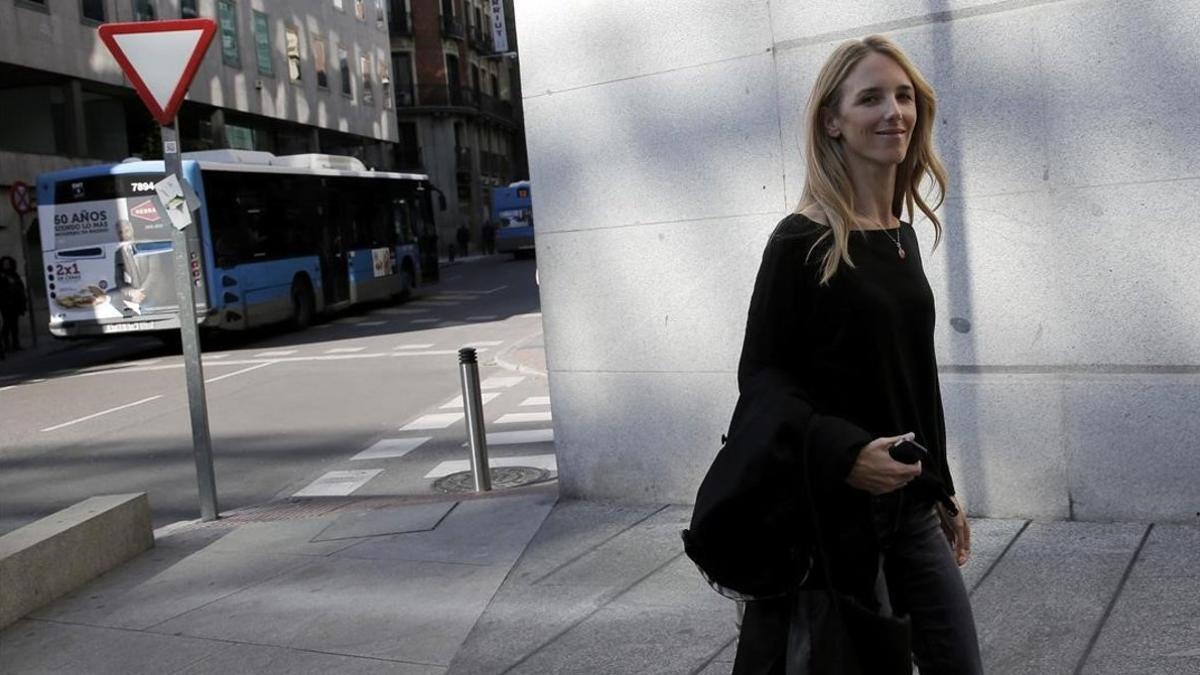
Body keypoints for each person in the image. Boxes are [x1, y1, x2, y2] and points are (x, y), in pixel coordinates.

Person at [730, 35, 981, 673]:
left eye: (903, 95)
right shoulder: (801, 240)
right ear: (832, 122)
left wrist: (942, 487)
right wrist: (844, 455)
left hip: (911, 510)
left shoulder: (899, 235)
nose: (893, 111)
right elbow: (760, 379)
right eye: (870, 98)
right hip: (837, 523)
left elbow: (912, 379)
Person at [0, 255, 27, 352]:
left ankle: (15, 344)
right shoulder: (1, 276)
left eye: (8, 264)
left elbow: (20, 287)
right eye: (4, 264)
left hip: (15, 304)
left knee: (14, 325)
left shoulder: (14, 275)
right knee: (6, 325)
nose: (6, 265)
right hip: (6, 304)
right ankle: (6, 345)